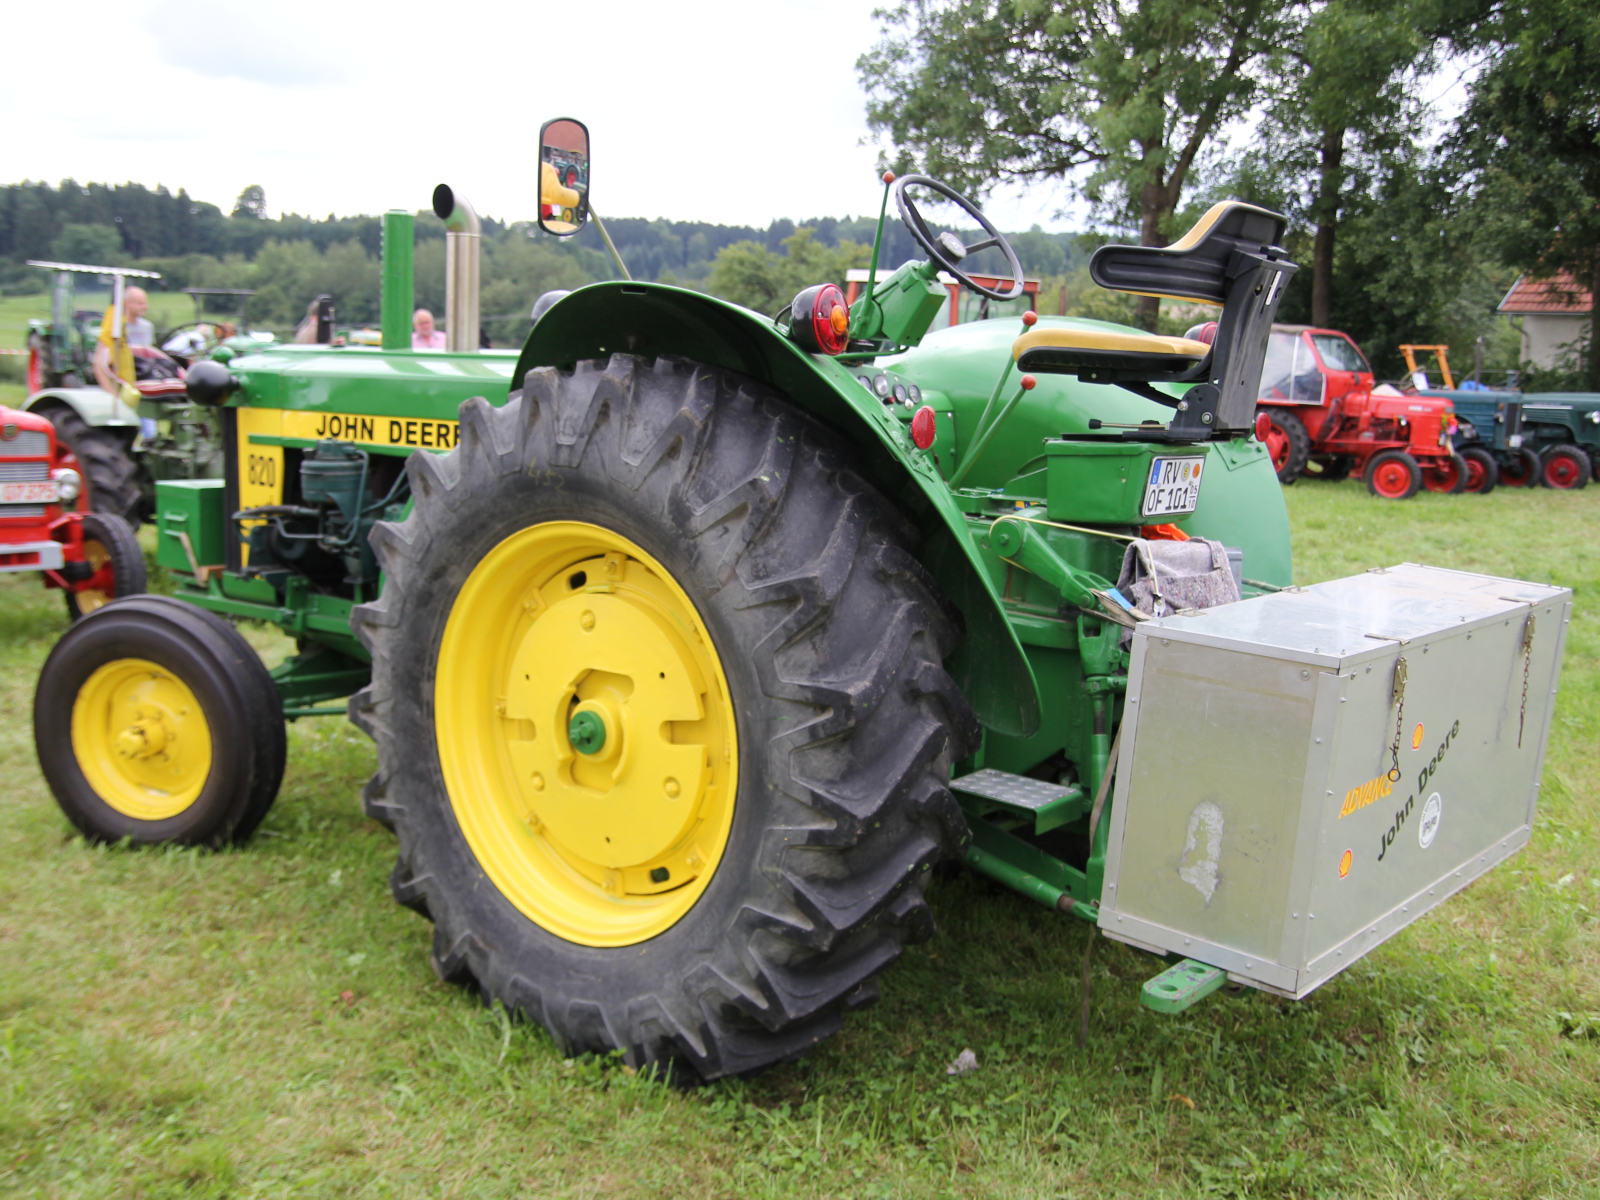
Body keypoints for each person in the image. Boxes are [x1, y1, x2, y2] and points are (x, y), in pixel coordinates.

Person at [93, 286, 158, 398]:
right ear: (127, 303)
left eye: (145, 303)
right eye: (140, 303)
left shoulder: (147, 327)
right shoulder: (116, 328)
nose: (145, 307)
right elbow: (101, 361)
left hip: (142, 373)